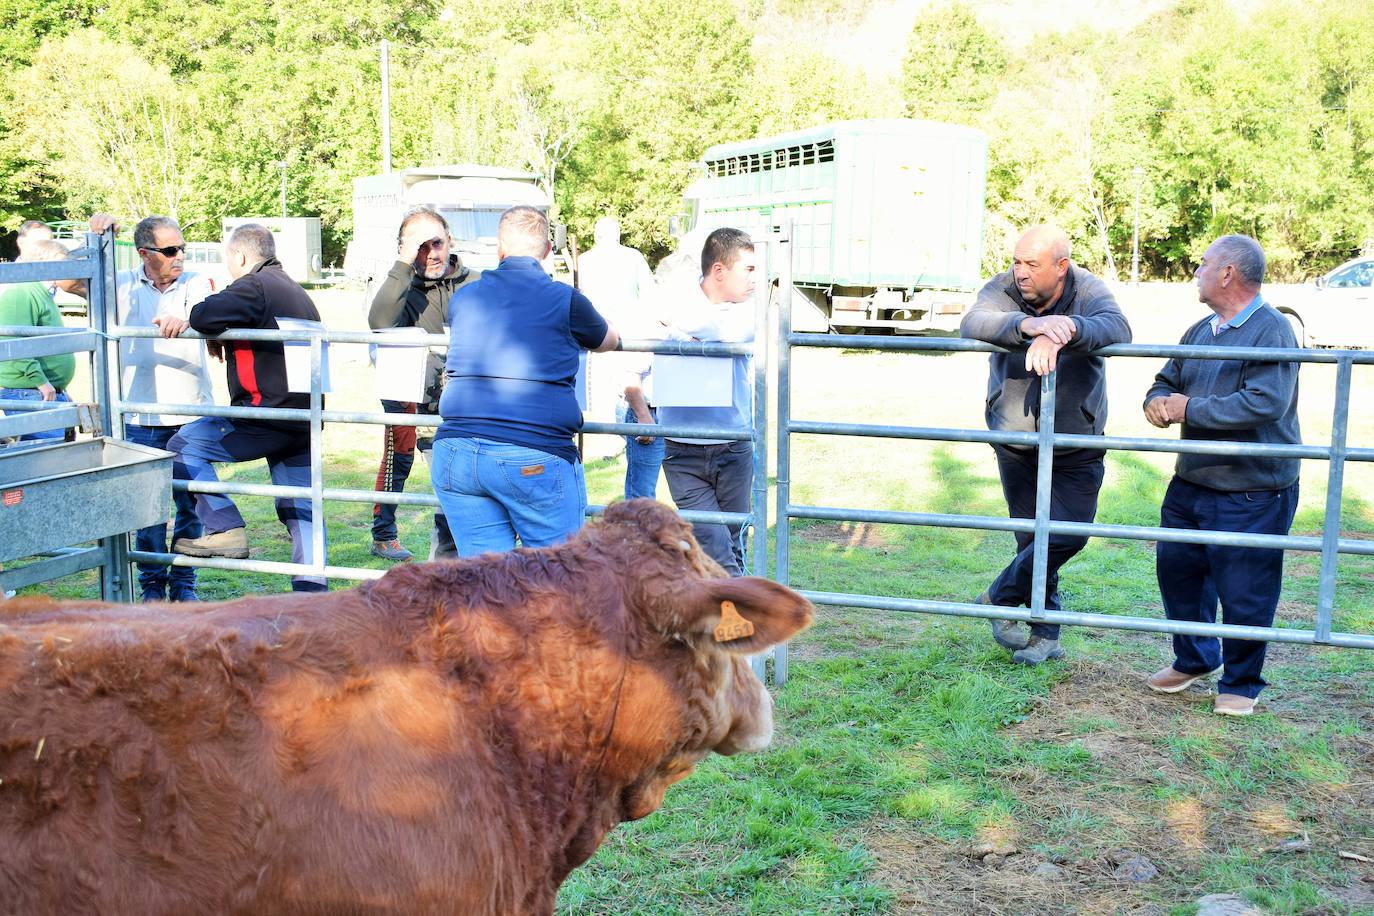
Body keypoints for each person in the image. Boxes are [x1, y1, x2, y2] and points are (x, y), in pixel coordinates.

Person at [959, 225, 1132, 665]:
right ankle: (1045, 634)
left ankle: (997, 598)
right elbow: (973, 321)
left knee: (1068, 532)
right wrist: (1030, 325)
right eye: (1018, 261)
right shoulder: (1004, 286)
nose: (1020, 272)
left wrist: (1066, 329)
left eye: (1032, 264)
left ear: (1061, 266)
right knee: (1031, 541)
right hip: (1015, 437)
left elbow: (1118, 327)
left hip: (1077, 439)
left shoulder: (1089, 288)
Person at [1143, 234, 1300, 717]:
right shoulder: (1200, 330)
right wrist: (1156, 399)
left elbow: (1264, 401)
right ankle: (1195, 659)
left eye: (1203, 264)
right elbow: (1168, 378)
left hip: (1252, 487)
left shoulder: (1272, 330)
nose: (1196, 271)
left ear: (1228, 272)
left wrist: (1190, 407)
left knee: (1245, 587)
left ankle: (1242, 681)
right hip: (1193, 480)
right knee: (1179, 573)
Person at [431, 206, 618, 556]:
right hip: (533, 451)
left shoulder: (465, 298)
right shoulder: (566, 300)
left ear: (500, 250)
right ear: (547, 251)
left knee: (487, 582)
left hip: (457, 450)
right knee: (556, 577)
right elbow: (607, 339)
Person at [164, 224, 328, 593]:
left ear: (239, 257)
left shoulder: (254, 285)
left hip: (266, 415)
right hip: (302, 418)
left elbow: (206, 313)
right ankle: (313, 592)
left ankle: (225, 528)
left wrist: (209, 328)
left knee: (183, 447)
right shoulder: (294, 290)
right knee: (302, 508)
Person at [89, 213, 217, 603]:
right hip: (141, 415)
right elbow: (69, 281)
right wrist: (94, 239)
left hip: (190, 413)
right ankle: (152, 587)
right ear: (144, 253)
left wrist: (189, 318)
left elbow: (210, 309)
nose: (180, 255)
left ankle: (184, 584)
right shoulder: (122, 284)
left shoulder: (194, 282)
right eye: (170, 250)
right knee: (147, 510)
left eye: (182, 247)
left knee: (189, 505)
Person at [366, 205, 474, 562]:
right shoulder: (399, 283)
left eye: (436, 243)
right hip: (408, 395)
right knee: (400, 460)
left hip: (462, 399)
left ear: (450, 241)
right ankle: (384, 534)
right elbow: (379, 320)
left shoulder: (473, 282)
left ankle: (448, 550)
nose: (430, 254)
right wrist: (403, 262)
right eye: (420, 246)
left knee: (454, 476)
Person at [657, 227, 758, 576]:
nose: (754, 279)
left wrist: (676, 331)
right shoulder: (675, 298)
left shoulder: (746, 309)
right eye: (747, 269)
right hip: (682, 449)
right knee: (714, 543)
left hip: (732, 446)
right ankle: (738, 619)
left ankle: (730, 615)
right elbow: (655, 321)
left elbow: (733, 332)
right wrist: (686, 330)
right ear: (718, 271)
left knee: (733, 539)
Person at [579, 216, 662, 499]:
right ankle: (618, 432)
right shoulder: (632, 256)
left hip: (597, 329)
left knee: (605, 385)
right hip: (626, 331)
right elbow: (648, 292)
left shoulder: (586, 259)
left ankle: (610, 435)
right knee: (625, 383)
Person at [0, 239, 85, 441]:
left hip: (41, 391)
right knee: (51, 456)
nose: (68, 269)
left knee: (55, 451)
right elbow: (11, 340)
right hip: (29, 391)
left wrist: (58, 388)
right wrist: (41, 382)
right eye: (63, 262)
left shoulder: (41, 293)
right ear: (46, 261)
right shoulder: (23, 291)